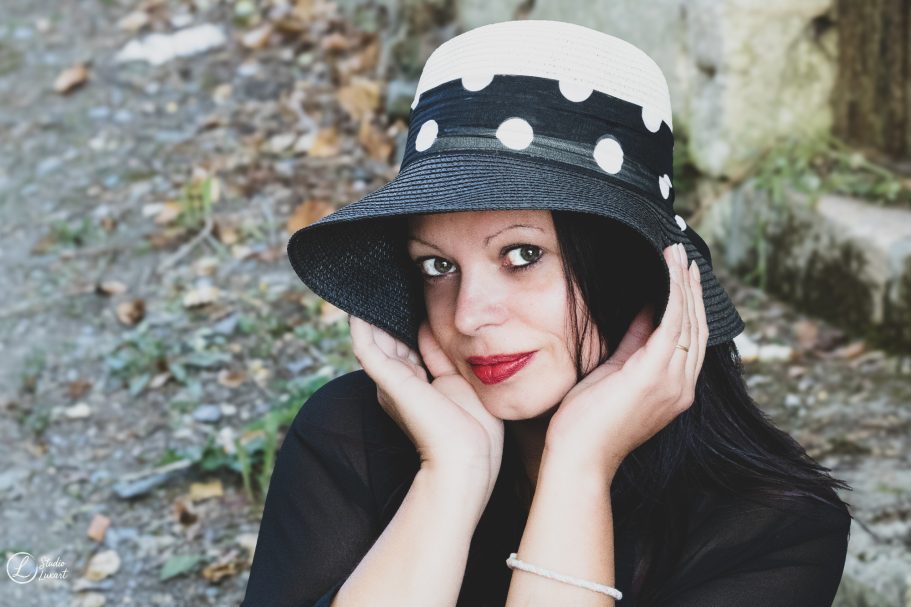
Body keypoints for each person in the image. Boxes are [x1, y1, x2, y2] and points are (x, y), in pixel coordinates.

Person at [241, 20, 852, 607]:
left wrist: (580, 465)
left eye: (523, 254)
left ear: (629, 268)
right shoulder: (353, 438)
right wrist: (451, 476)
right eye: (436, 266)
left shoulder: (774, 527)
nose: (470, 316)